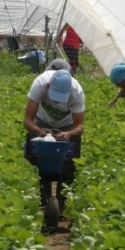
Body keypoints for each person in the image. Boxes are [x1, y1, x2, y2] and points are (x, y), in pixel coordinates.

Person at [23, 69, 85, 216]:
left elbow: (79, 126)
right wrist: (38, 131)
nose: (57, 101)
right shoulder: (40, 84)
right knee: (35, 160)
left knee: (67, 163)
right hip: (42, 121)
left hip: (67, 125)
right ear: (49, 86)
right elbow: (27, 120)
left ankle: (62, 200)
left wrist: (69, 134)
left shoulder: (77, 92)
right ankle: (39, 198)